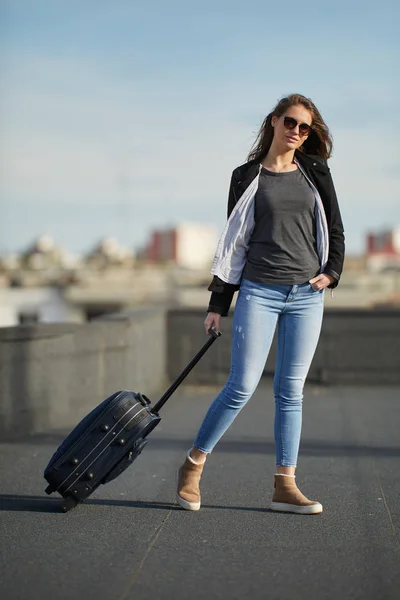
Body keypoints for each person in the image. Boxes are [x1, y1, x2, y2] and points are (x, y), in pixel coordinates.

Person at [176, 93, 345, 515]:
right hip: (259, 292)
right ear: (273, 121)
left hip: (307, 296)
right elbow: (233, 242)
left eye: (305, 127)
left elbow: (336, 229)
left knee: (291, 392)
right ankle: (193, 465)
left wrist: (332, 273)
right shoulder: (246, 176)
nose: (296, 131)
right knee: (242, 386)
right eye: (290, 122)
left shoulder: (316, 172)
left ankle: (284, 486)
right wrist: (219, 303)